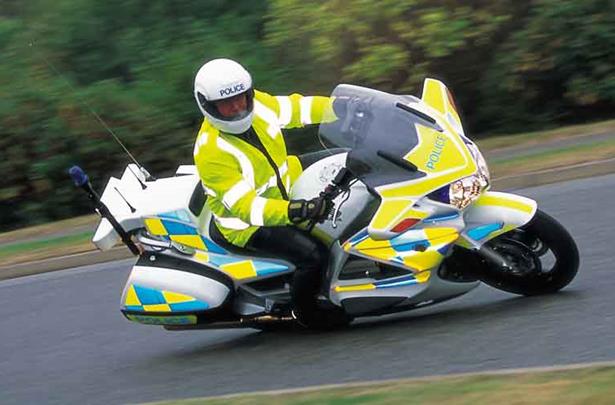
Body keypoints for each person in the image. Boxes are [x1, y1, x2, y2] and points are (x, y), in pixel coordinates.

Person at [192, 58, 340, 327]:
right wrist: (296, 211)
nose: (238, 107)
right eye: (227, 104)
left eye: (242, 98)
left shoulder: (258, 105)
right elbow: (246, 208)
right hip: (249, 225)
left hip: (284, 188)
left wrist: (344, 109)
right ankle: (307, 313)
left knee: (344, 160)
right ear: (208, 106)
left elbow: (299, 108)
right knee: (313, 255)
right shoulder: (211, 151)